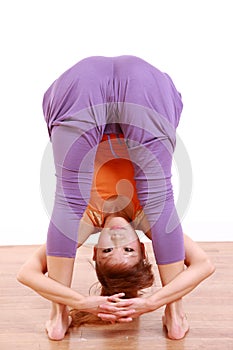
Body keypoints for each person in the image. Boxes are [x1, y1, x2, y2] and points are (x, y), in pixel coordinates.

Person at [18, 55, 215, 340]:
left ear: (96, 252)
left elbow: (27, 273)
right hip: (145, 88)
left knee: (69, 197)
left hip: (80, 87)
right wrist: (159, 304)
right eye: (129, 251)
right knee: (158, 198)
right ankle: (177, 312)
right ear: (143, 247)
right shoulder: (144, 219)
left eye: (109, 251)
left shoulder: (87, 223)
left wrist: (73, 305)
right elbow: (204, 265)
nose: (119, 242)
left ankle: (57, 314)